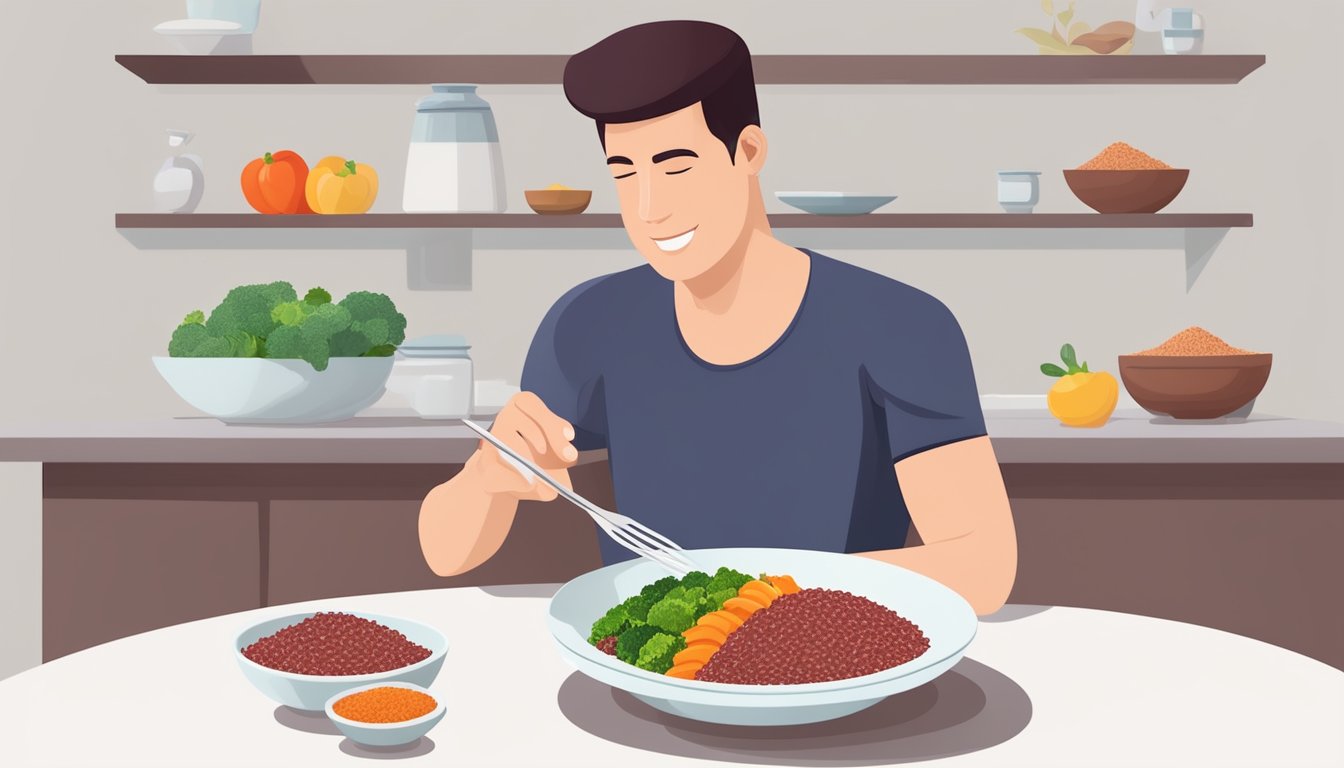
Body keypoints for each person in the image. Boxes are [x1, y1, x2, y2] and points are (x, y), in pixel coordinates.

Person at [420, 20, 1017, 614]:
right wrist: (486, 477)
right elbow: (445, 553)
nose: (650, 210)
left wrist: (749, 598)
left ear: (748, 151)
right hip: (653, 669)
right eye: (625, 173)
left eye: (676, 166)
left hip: (835, 666)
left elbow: (982, 564)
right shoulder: (587, 325)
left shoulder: (899, 325)